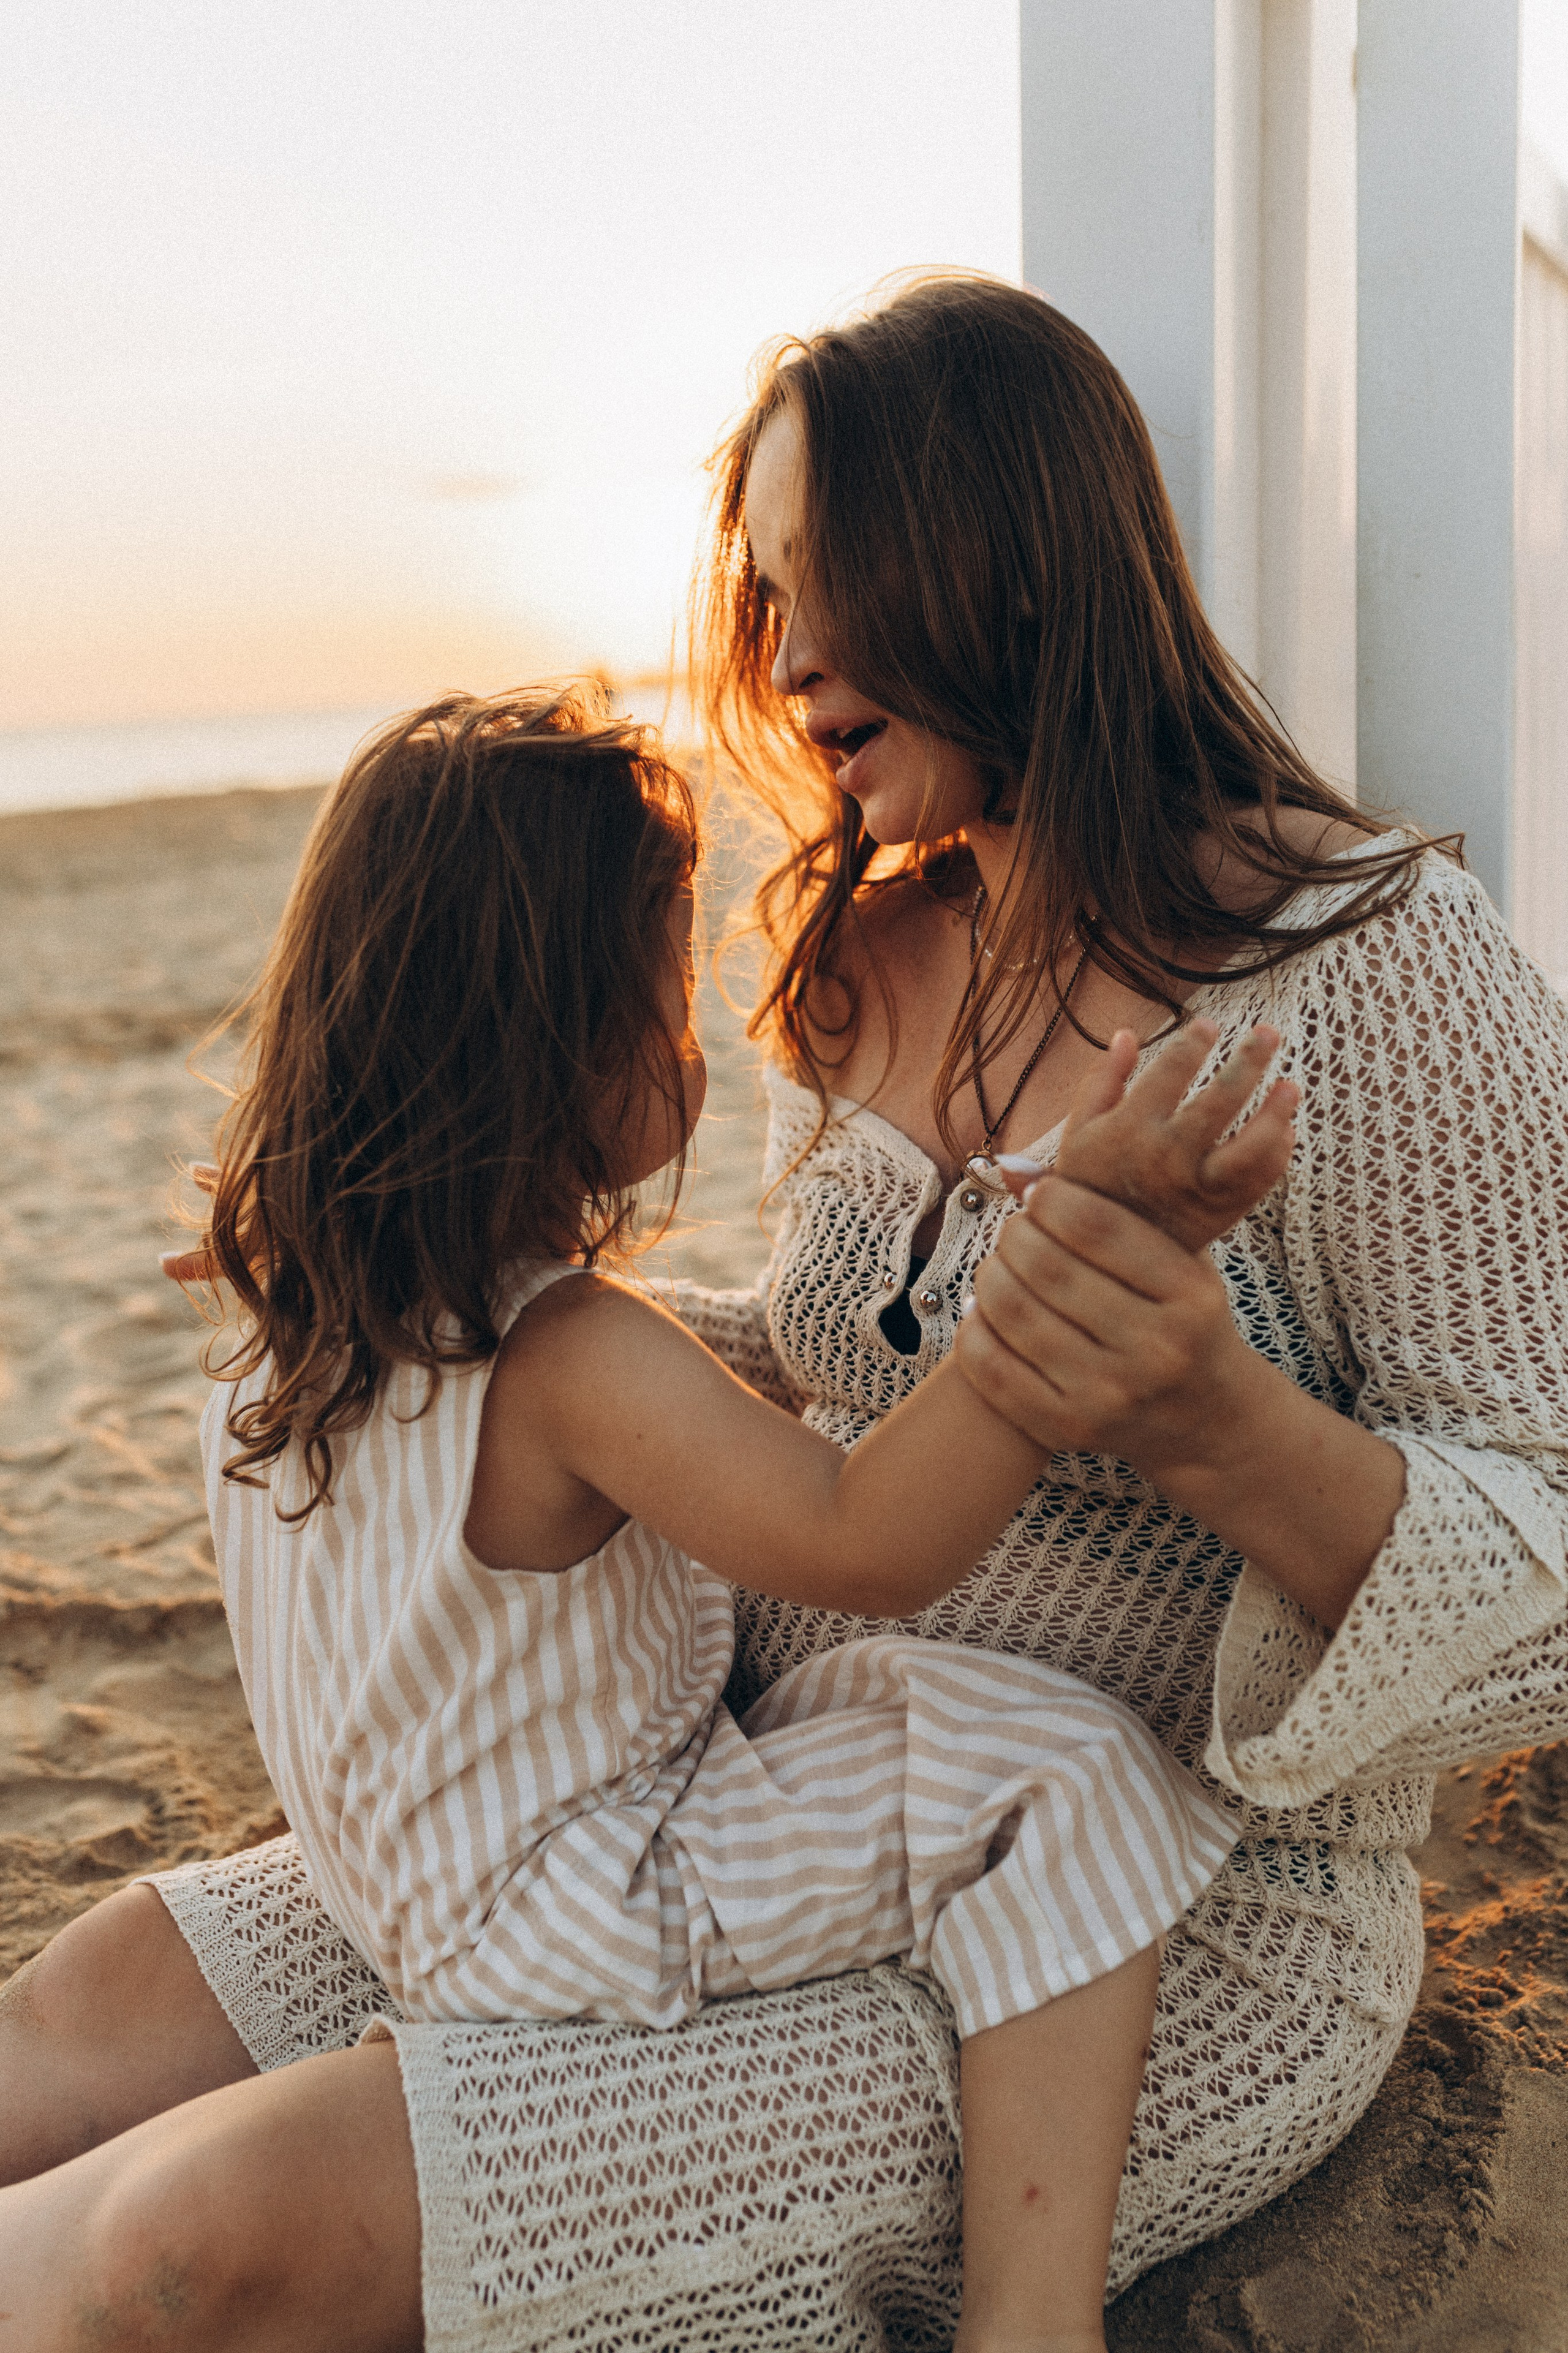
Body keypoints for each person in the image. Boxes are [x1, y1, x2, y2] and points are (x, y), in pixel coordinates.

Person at [4, 271, 1567, 2351]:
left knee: (192, 2246)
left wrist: (1223, 1424)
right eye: (766, 584)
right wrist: (407, 1259)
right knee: (85, 2008)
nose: (787, 649)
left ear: (1013, 554)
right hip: (705, 1770)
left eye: (832, 574)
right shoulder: (853, 962)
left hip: (1146, 1906)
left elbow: (1551, 1566)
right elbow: (820, 1365)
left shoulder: (1380, 961)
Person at [0, 681, 1297, 2352]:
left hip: (400, 1892)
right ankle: (1032, 2321)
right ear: (560, 1050)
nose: (700, 1044)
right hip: (588, 1901)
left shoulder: (304, 1311)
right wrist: (1062, 1277)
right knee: (1061, 1771)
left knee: (915, 1723)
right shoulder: (569, 1356)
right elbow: (866, 1536)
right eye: (671, 1005)